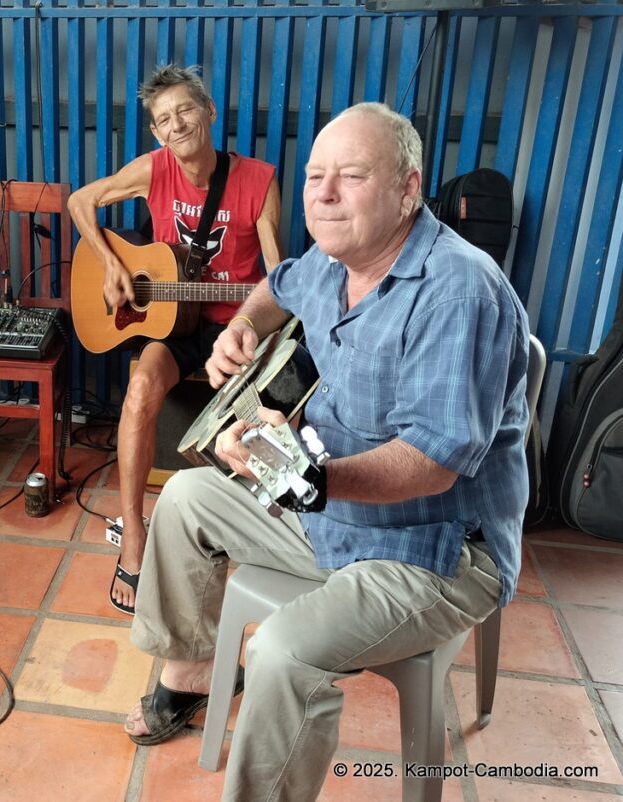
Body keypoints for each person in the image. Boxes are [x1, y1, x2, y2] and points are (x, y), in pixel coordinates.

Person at [124, 102, 531, 801]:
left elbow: (433, 459)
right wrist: (240, 330)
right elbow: (275, 290)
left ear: (408, 188)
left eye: (351, 175)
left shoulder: (457, 290)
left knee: (282, 652)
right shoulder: (334, 258)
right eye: (315, 176)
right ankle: (188, 670)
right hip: (337, 509)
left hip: (437, 548)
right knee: (187, 499)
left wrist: (308, 478)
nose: (325, 193)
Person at [67, 64, 282, 615]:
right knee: (140, 390)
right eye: (163, 119)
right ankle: (135, 533)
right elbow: (79, 203)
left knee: (266, 406)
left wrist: (254, 324)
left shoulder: (258, 178)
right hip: (172, 320)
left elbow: (279, 280)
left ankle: (255, 533)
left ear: (209, 112)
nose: (176, 124)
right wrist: (112, 264)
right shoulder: (153, 169)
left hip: (233, 324)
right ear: (156, 133)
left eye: (185, 110)